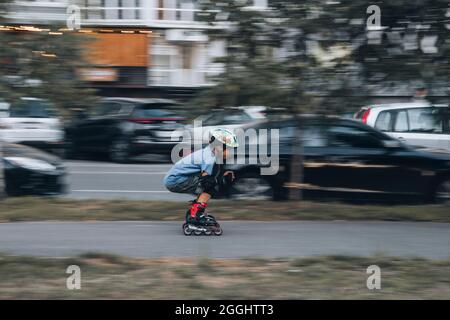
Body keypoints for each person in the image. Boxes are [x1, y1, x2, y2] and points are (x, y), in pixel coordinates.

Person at [164, 128, 238, 224]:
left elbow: (214, 173)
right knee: (211, 185)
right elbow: (207, 180)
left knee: (212, 182)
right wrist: (220, 180)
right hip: (175, 180)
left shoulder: (210, 153)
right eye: (228, 148)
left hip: (177, 178)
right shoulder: (209, 158)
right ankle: (196, 214)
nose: (230, 152)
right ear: (219, 147)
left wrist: (223, 175)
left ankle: (195, 211)